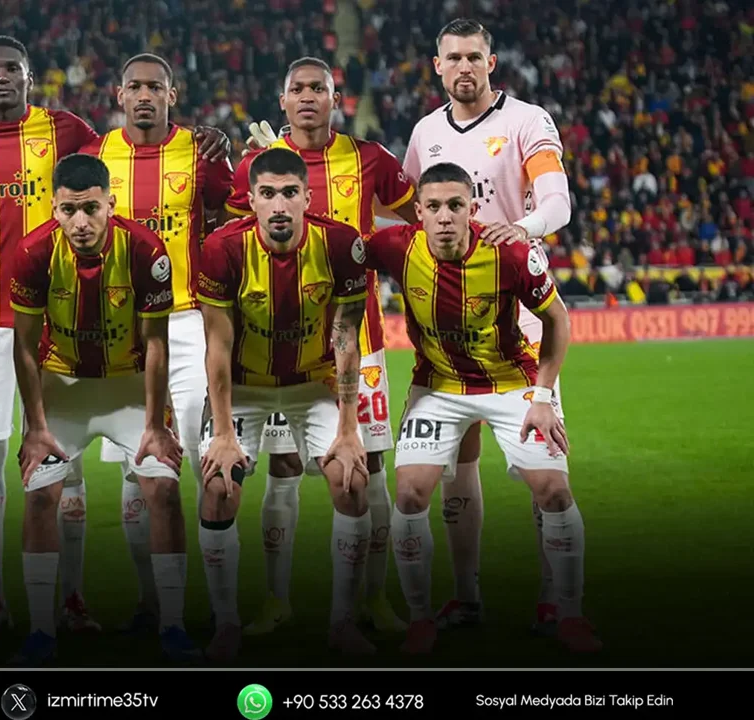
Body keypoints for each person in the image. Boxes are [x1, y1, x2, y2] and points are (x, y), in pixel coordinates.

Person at [0, 34, 231, 633]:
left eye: (13, 68)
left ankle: (78, 600)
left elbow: (177, 180)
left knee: (83, 467)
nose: (3, 78)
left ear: (30, 77)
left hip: (74, 320)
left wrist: (213, 143)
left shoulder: (68, 132)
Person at [365, 162, 599, 655]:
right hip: (438, 385)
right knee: (409, 494)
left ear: (472, 208)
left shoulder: (509, 252)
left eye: (455, 205)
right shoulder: (395, 247)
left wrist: (543, 397)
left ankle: (571, 615)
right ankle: (421, 619)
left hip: (513, 382)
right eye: (433, 206)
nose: (444, 216)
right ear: (418, 212)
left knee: (554, 491)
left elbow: (557, 319)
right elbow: (327, 243)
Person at [401, 19, 574, 635]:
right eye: (453, 58)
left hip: (517, 320)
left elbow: (557, 201)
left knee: (542, 473)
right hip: (449, 326)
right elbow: (406, 210)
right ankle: (465, 595)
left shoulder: (526, 121)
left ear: (491, 62)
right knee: (458, 466)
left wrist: (520, 230)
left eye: (474, 56)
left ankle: (554, 599)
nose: (464, 67)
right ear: (438, 66)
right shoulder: (425, 132)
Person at [233, 57, 416, 636]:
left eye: (320, 88)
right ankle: (277, 599)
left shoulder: (370, 159)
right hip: (279, 346)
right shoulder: (257, 166)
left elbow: (417, 222)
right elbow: (234, 237)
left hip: (358, 339)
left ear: (337, 99)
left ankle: (372, 599)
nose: (309, 97)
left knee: (369, 465)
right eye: (298, 89)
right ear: (282, 101)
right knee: (283, 465)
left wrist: (379, 255)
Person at [8, 153, 195, 665]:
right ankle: (41, 631)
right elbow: (24, 345)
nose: (80, 222)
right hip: (63, 386)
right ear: (53, 207)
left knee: (163, 489)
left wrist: (155, 425)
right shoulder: (32, 253)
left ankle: (173, 626)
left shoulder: (145, 249)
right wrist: (36, 427)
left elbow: (156, 343)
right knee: (40, 496)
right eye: (68, 210)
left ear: (111, 203)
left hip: (128, 386)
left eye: (90, 208)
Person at [196, 147, 375, 660]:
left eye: (289, 193)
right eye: (268, 194)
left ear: (307, 198)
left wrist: (348, 429)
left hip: (311, 381)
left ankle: (342, 623)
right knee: (218, 488)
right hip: (245, 385)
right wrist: (224, 434)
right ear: (251, 200)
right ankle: (226, 624)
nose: (279, 205)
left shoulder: (340, 244)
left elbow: (346, 338)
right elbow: (218, 347)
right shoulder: (222, 248)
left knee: (351, 479)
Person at [80, 52, 233, 635]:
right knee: (137, 470)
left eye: (155, 87)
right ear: (119, 95)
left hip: (188, 322)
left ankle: (220, 612)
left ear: (172, 94)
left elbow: (236, 214)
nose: (144, 96)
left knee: (205, 466)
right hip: (124, 329)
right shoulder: (96, 154)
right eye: (135, 87)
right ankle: (153, 603)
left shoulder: (201, 152)